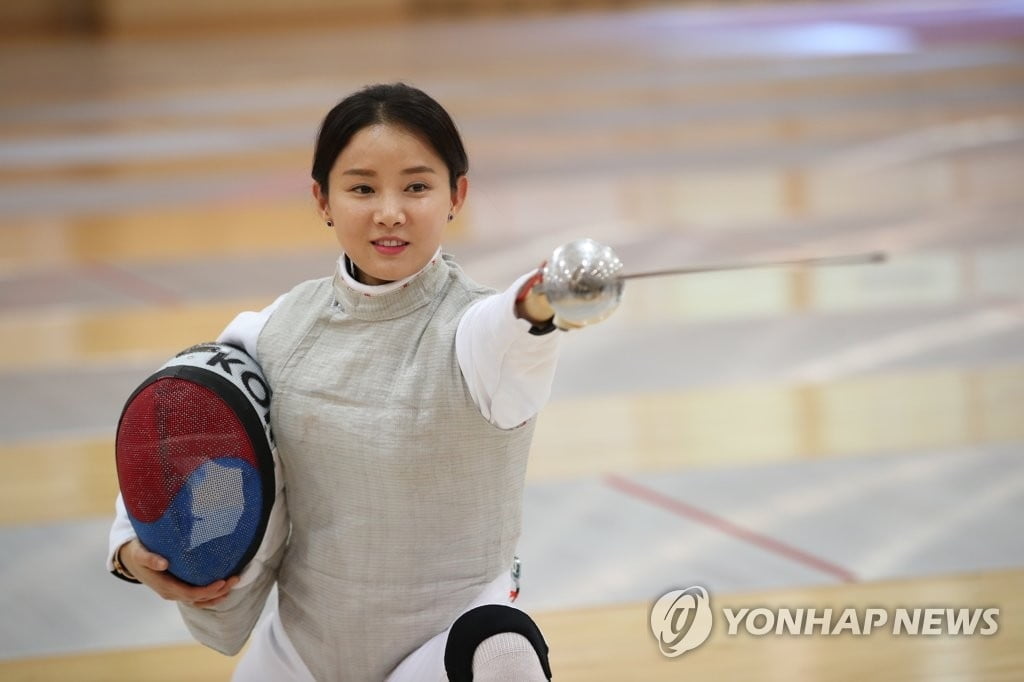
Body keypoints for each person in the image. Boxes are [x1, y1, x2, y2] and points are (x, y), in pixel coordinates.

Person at [107, 82, 604, 681]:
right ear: (322, 199)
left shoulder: (474, 334)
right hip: (303, 653)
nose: (389, 211)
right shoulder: (277, 330)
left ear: (456, 195)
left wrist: (542, 294)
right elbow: (189, 420)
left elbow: (512, 325)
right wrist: (134, 547)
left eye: (417, 186)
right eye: (363, 188)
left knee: (499, 649)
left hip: (444, 651)